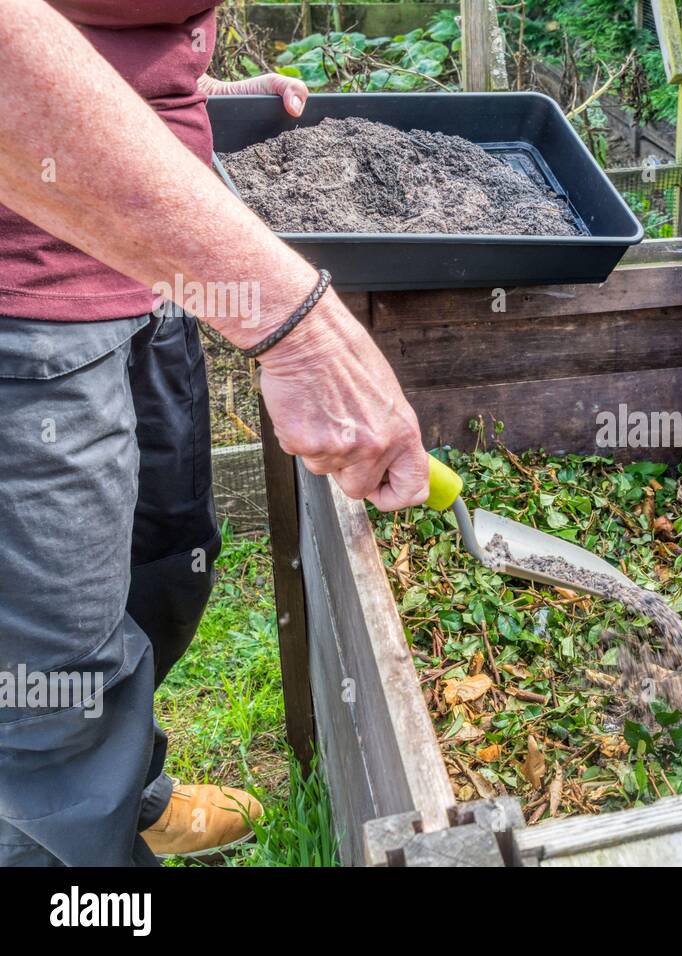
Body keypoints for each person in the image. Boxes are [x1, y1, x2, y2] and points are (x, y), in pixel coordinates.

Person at [0, 0, 430, 865]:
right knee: (46, 695)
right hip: (24, 312)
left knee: (161, 561)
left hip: (147, 261)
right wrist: (301, 326)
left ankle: (126, 791)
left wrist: (188, 87)